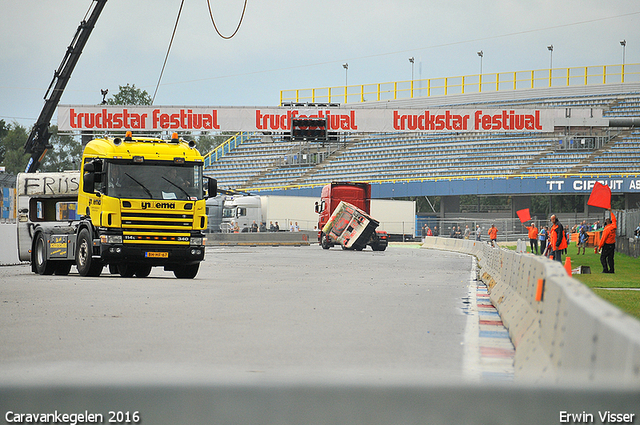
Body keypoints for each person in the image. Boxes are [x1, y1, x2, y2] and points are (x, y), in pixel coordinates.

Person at [598, 209, 617, 273]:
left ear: (605, 223)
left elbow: (603, 238)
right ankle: (612, 270)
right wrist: (611, 211)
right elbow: (614, 219)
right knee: (610, 258)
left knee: (603, 258)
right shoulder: (614, 226)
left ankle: (605, 269)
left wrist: (600, 246)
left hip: (607, 245)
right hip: (612, 244)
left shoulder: (606, 229)